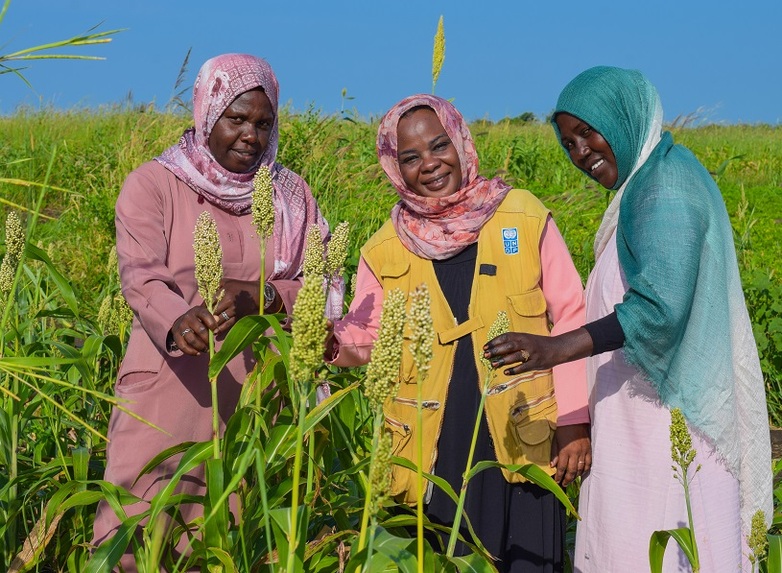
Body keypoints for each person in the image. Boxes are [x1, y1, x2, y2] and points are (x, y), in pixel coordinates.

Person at [484, 66, 773, 572]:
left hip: (667, 427)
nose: (580, 153)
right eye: (568, 143)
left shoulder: (665, 184)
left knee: (658, 548)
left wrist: (556, 348)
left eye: (587, 132)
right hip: (638, 423)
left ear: (622, 116)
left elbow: (661, 308)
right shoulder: (645, 184)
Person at [91, 53, 335, 570]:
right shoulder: (154, 185)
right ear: (207, 113)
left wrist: (263, 296)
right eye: (237, 119)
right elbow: (141, 274)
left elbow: (323, 286)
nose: (251, 135)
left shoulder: (290, 194)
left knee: (233, 538)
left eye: (263, 123)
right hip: (170, 384)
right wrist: (177, 318)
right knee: (139, 533)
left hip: (256, 396)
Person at [329, 94, 590, 572]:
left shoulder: (522, 215)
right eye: (410, 157)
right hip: (434, 450)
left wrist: (574, 421)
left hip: (522, 439)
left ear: (461, 142)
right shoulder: (384, 248)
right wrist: (326, 340)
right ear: (394, 166)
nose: (429, 164)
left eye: (438, 146)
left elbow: (571, 317)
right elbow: (367, 333)